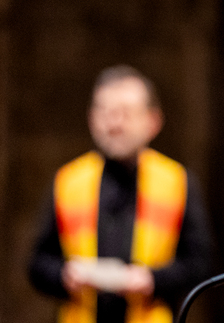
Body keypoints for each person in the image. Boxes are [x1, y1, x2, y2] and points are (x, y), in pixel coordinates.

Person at [28, 65, 213, 323]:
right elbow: (37, 264)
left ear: (153, 121)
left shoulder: (177, 182)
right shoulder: (68, 181)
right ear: (91, 119)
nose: (114, 123)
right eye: (104, 112)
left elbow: (200, 264)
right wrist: (64, 275)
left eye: (126, 113)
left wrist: (152, 280)